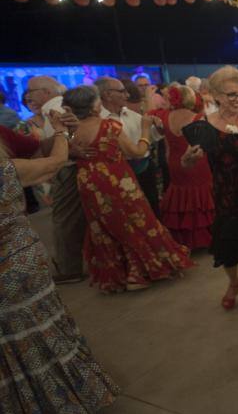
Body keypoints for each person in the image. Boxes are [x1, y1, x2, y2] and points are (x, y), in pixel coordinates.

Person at [0, 114, 119, 414]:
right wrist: (60, 132)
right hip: (18, 264)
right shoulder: (5, 171)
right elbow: (55, 163)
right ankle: (68, 399)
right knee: (41, 329)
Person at [64, 86, 192, 293]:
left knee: (103, 227)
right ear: (94, 105)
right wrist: (144, 129)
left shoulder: (70, 131)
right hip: (117, 182)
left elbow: (67, 152)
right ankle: (139, 273)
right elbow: (138, 151)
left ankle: (119, 275)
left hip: (88, 183)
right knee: (137, 221)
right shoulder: (108, 126)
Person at [181, 66, 238, 311]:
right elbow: (187, 163)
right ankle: (234, 283)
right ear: (216, 95)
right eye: (232, 94)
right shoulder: (206, 124)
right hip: (225, 195)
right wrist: (190, 157)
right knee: (226, 246)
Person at [25, 76, 88, 282]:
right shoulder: (61, 107)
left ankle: (69, 268)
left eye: (31, 91)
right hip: (70, 167)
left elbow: (65, 145)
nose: (28, 96)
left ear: (46, 92)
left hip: (66, 169)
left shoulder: (53, 110)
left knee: (65, 219)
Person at [95, 77, 162, 217]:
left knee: (151, 208)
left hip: (143, 170)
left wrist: (159, 128)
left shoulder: (132, 115)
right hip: (115, 175)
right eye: (122, 91)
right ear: (107, 95)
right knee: (125, 214)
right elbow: (135, 150)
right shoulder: (97, 119)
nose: (127, 95)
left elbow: (153, 136)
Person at [158, 84, 214, 250]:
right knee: (201, 196)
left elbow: (167, 148)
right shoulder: (198, 117)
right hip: (197, 162)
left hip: (174, 163)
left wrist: (171, 165)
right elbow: (203, 148)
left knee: (180, 195)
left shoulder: (164, 117)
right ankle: (205, 238)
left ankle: (183, 239)